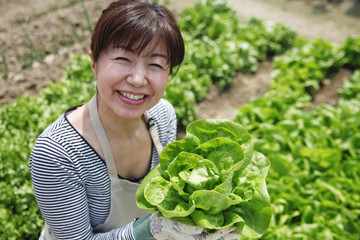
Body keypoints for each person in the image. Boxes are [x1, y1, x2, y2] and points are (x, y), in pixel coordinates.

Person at [30, 0, 242, 239]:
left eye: (155, 64)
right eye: (123, 59)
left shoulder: (163, 116)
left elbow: (168, 196)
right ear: (94, 62)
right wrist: (152, 229)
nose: (138, 79)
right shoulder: (58, 153)